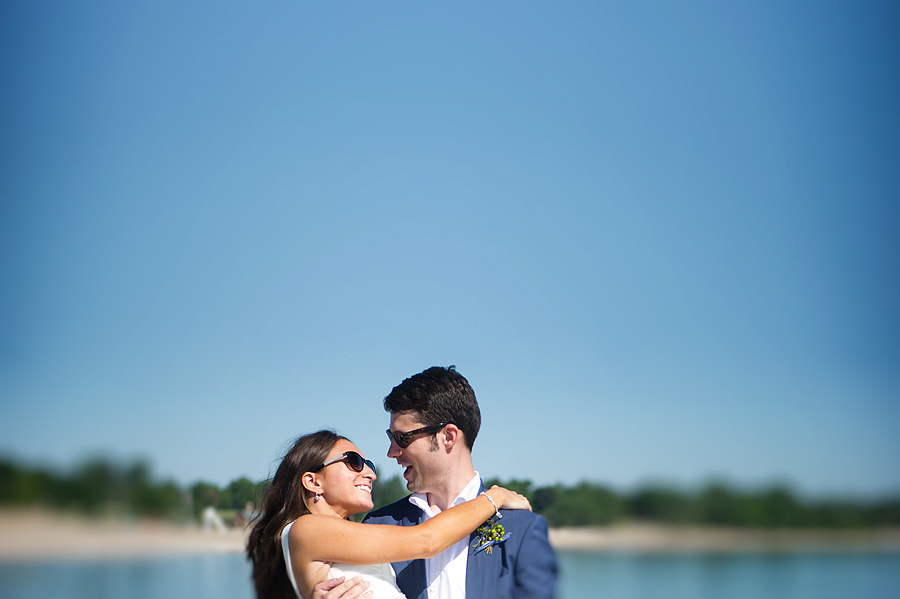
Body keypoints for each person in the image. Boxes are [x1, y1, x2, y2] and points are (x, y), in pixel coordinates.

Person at [314, 366, 557, 599]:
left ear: (448, 437)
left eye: (401, 438)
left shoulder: (524, 528)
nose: (391, 452)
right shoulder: (377, 525)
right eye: (391, 438)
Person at [247, 429, 532, 599]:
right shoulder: (306, 530)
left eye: (367, 463)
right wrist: (495, 497)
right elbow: (426, 541)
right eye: (354, 462)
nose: (370, 473)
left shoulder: (346, 537)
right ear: (313, 481)